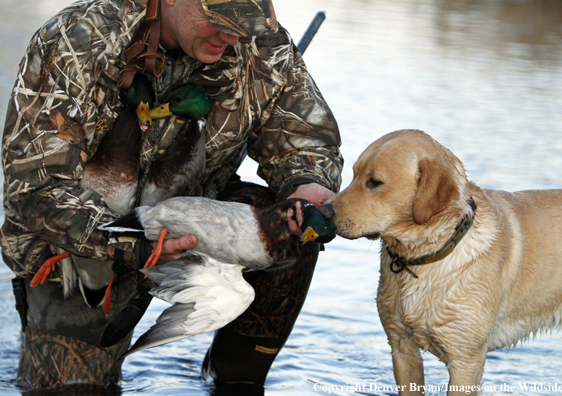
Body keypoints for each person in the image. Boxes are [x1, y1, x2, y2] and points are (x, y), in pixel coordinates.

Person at [1, 0, 342, 390]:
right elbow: (35, 189)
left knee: (293, 230)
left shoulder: (258, 41)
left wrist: (306, 181)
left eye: (242, 25)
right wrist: (136, 247)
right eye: (218, 21)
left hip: (191, 219)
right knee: (72, 389)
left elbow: (307, 140)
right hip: (77, 248)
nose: (232, 38)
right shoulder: (77, 39)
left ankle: (234, 381)